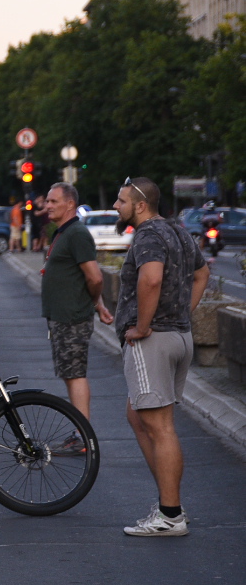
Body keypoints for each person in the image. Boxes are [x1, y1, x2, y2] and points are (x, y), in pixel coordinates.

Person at [112, 177, 209, 538]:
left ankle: (170, 514)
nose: (116, 207)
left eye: (121, 201)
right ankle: (170, 504)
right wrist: (184, 314)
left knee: (160, 425)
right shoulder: (178, 231)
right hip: (179, 337)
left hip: (153, 341)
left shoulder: (148, 235)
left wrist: (142, 325)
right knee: (138, 415)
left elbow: (150, 280)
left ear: (140, 205)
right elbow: (202, 274)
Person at [40, 182, 113, 427]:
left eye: (53, 201)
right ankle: (80, 432)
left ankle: (83, 434)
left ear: (70, 204)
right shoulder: (62, 232)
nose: (47, 205)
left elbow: (95, 277)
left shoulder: (77, 234)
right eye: (47, 201)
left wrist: (94, 301)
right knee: (69, 375)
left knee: (75, 375)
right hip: (62, 316)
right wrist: (99, 304)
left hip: (71, 317)